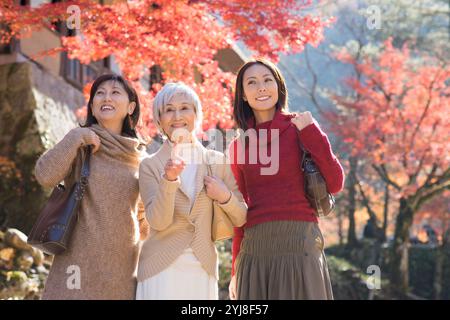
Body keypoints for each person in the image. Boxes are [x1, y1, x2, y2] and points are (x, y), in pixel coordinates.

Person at [228, 59, 345, 300]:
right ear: (243, 95)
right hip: (255, 253)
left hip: (300, 246)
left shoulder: (301, 128)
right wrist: (234, 270)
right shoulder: (238, 146)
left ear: (279, 87)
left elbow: (335, 183)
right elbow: (239, 214)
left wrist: (312, 132)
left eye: (267, 80)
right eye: (252, 82)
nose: (261, 87)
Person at [34, 74, 149, 299]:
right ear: (93, 106)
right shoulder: (80, 144)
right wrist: (76, 136)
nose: (106, 97)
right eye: (100, 93)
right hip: (74, 268)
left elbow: (143, 222)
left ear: (131, 106)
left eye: (115, 92)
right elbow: (44, 175)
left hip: (121, 273)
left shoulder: (142, 159)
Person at [136, 82, 247, 300]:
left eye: (185, 107)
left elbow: (241, 216)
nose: (177, 115)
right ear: (159, 120)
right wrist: (168, 181)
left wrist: (224, 196)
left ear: (196, 114)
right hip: (159, 270)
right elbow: (157, 222)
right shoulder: (150, 165)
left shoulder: (217, 161)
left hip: (202, 268)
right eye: (168, 109)